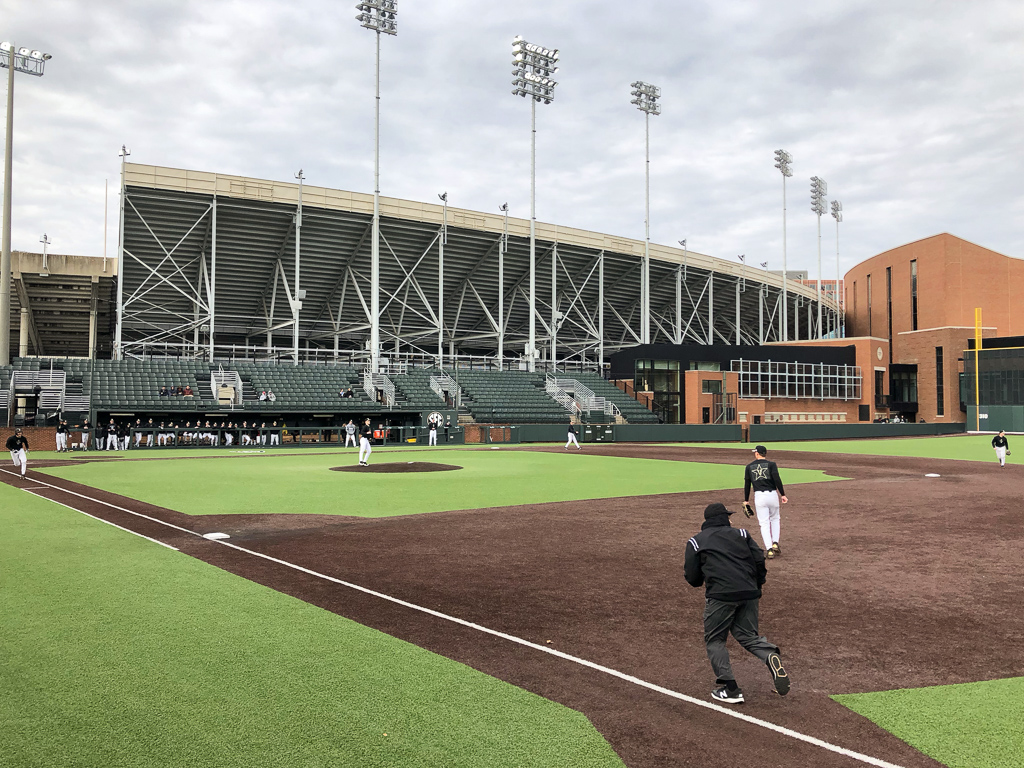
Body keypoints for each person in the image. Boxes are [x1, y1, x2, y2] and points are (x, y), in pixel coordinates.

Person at [684, 502, 790, 704]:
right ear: (724, 519)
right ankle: (769, 656)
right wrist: (757, 585)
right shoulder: (742, 534)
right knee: (748, 635)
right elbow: (759, 559)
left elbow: (692, 576)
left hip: (721, 596)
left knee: (715, 640)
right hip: (749, 592)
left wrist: (702, 581)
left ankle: (731, 689)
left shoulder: (696, 542)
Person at [743, 445, 788, 559]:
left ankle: (769, 549)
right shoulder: (771, 465)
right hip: (772, 495)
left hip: (759, 496)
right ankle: (775, 542)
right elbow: (777, 479)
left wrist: (746, 500)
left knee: (764, 523)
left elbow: (747, 484)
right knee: (775, 518)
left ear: (757, 453)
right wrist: (782, 494)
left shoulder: (749, 467)